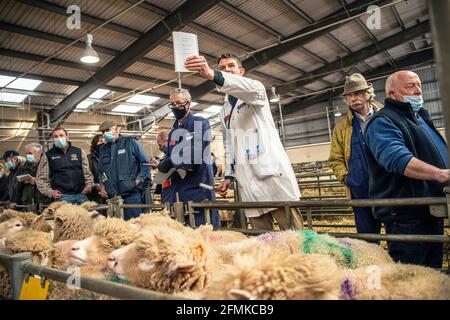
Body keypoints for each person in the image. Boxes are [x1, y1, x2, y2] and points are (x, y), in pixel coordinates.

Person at [185, 53, 303, 230]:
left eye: (231, 66)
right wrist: (228, 176)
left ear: (241, 71)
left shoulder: (256, 91)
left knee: (295, 235)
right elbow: (231, 143)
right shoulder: (224, 110)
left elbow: (243, 86)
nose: (227, 70)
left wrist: (212, 74)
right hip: (249, 184)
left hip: (272, 177)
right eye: (222, 68)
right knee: (262, 241)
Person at [365, 70, 448, 268]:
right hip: (406, 216)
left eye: (419, 85)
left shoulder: (419, 118)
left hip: (430, 210)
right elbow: (396, 158)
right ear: (392, 94)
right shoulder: (383, 121)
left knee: (432, 274)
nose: (418, 90)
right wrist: (440, 174)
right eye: (410, 86)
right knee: (410, 276)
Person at [329, 73, 383, 236]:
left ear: (367, 94)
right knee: (368, 240)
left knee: (397, 239)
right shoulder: (342, 126)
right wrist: (347, 178)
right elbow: (335, 158)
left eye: (358, 93)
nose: (354, 98)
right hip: (360, 193)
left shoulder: (384, 116)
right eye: (350, 95)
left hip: (390, 188)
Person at [158, 88, 220, 227]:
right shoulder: (173, 131)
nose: (175, 107)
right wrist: (163, 162)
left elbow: (195, 150)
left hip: (198, 188)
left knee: (204, 231)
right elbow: (170, 154)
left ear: (189, 104)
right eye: (172, 104)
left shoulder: (199, 123)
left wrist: (170, 161)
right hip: (179, 192)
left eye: (179, 103)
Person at [98, 120, 151, 220]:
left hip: (130, 197)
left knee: (133, 228)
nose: (105, 133)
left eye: (107, 130)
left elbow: (145, 163)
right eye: (103, 132)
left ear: (116, 129)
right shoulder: (103, 149)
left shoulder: (130, 142)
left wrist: (138, 180)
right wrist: (103, 184)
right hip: (112, 199)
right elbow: (101, 171)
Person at [37, 127, 94, 204]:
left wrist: (88, 187)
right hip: (62, 197)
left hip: (81, 195)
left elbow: (87, 173)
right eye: (56, 136)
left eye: (61, 135)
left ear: (67, 137)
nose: (59, 138)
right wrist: (50, 192)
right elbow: (41, 179)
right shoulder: (48, 155)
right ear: (53, 139)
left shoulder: (79, 152)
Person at [16, 143, 50, 209]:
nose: (28, 156)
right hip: (28, 204)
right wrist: (16, 201)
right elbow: (19, 188)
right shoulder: (22, 167)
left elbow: (53, 180)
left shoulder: (48, 164)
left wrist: (37, 181)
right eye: (26, 154)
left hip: (44, 202)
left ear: (39, 153)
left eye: (30, 153)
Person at [151, 130, 172, 204]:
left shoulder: (174, 155)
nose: (160, 148)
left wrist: (159, 164)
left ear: (167, 141)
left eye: (160, 145)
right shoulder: (166, 155)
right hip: (166, 189)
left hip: (171, 190)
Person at [87, 134, 106, 204]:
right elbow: (86, 177)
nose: (103, 143)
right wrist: (95, 185)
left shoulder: (111, 158)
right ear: (95, 144)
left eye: (105, 141)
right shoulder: (88, 159)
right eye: (101, 141)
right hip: (94, 197)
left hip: (109, 194)